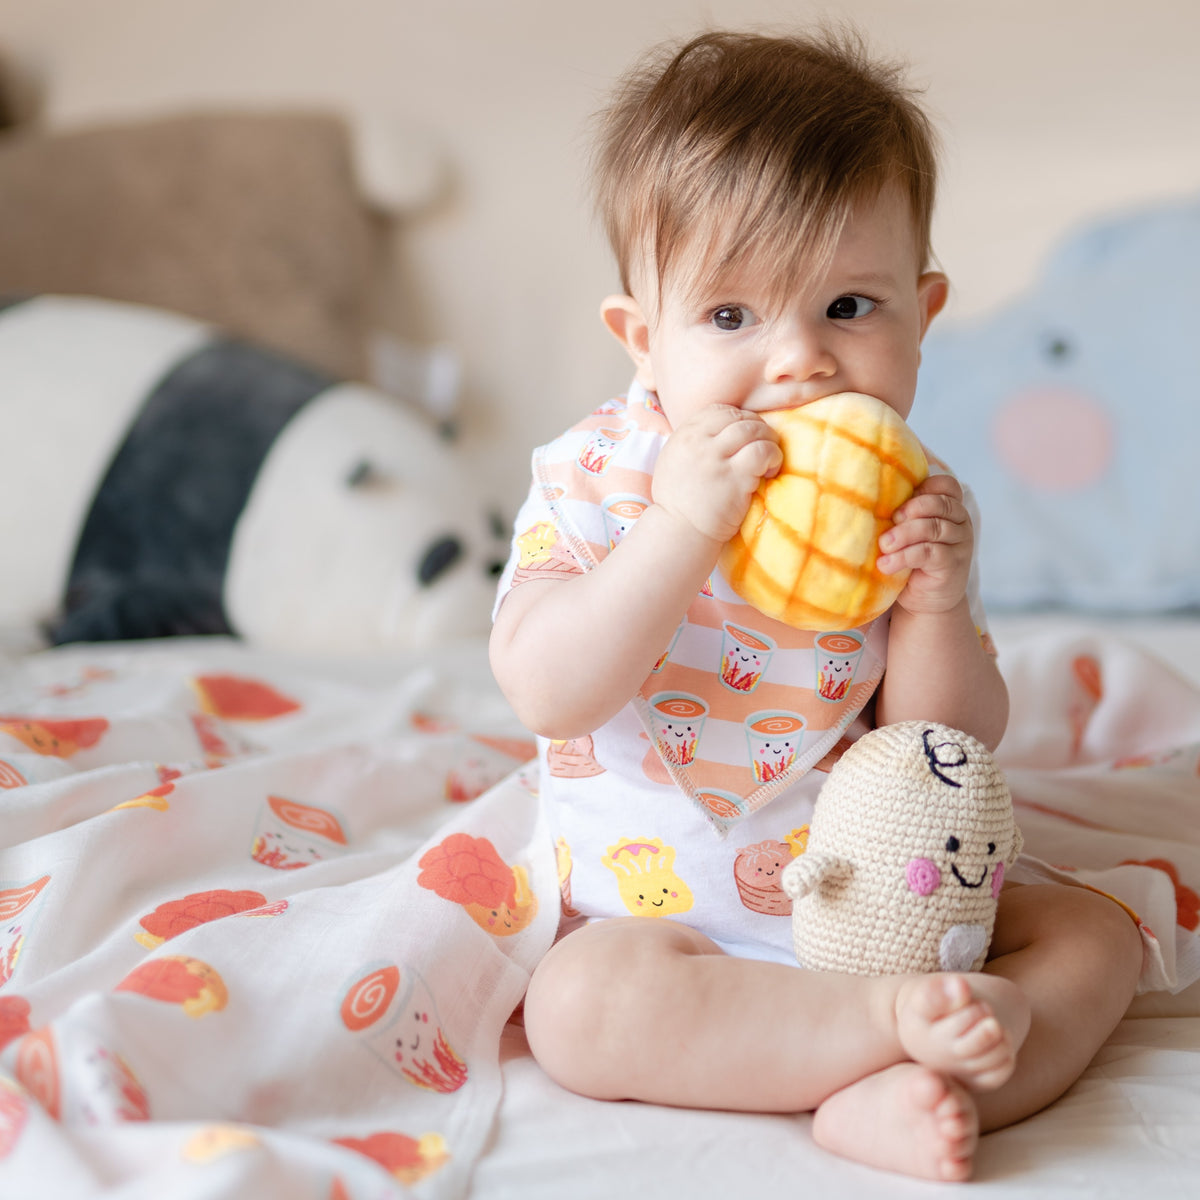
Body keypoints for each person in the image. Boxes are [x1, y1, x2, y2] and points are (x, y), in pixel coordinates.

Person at [489, 29, 1144, 1182]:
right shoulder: (596, 475)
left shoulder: (909, 490)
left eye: (849, 305)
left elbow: (947, 742)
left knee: (1095, 940)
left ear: (924, 313)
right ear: (643, 340)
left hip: (889, 896)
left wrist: (937, 604)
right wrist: (682, 530)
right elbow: (551, 687)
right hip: (664, 922)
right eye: (731, 319)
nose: (801, 362)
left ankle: (907, 1087)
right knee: (578, 1012)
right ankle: (887, 1044)